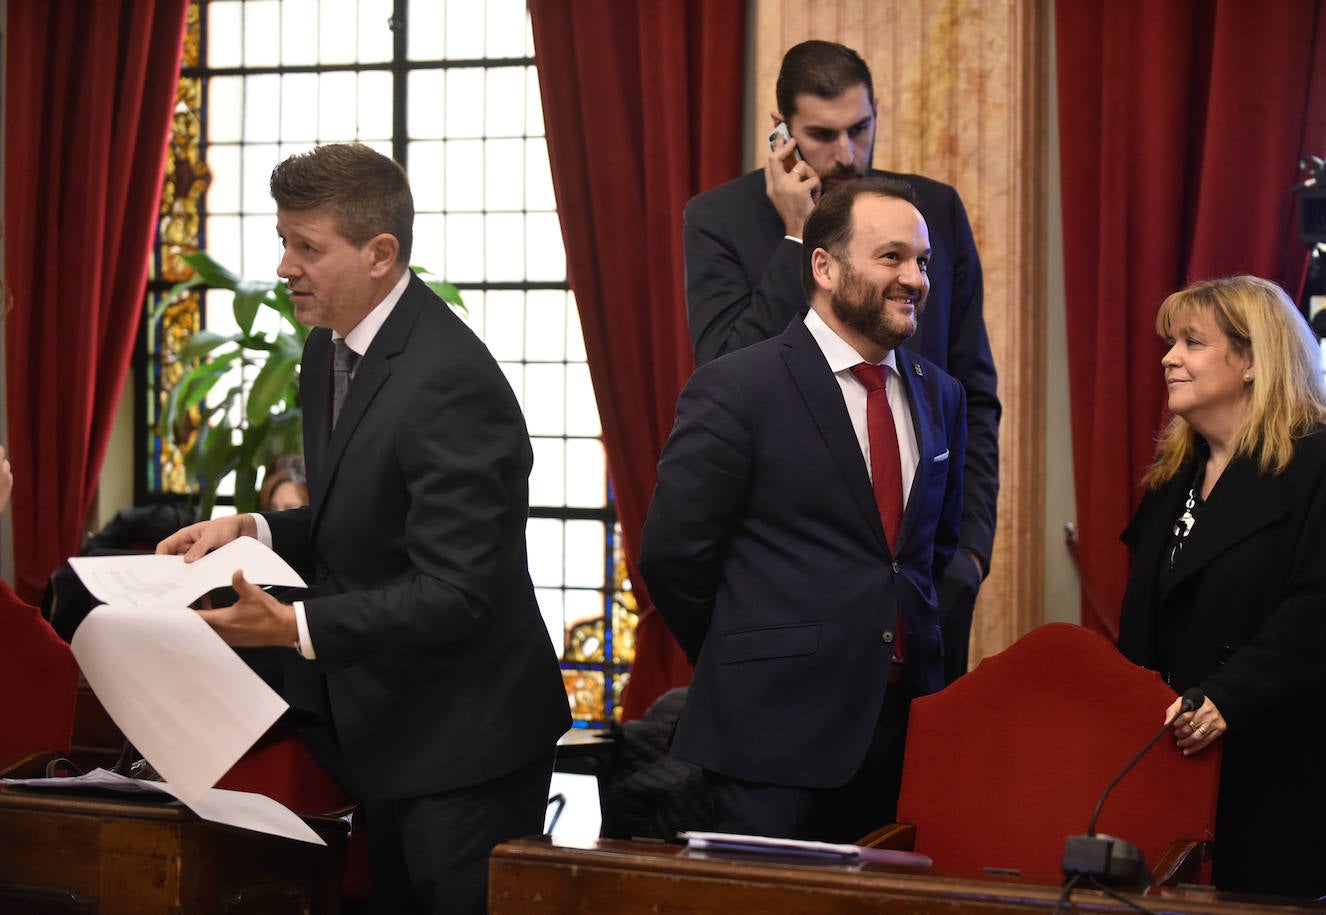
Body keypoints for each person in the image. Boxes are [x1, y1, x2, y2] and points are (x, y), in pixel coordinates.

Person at [156, 143, 570, 914]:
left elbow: (455, 592)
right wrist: (254, 528)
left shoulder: (449, 379)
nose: (284, 266)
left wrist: (293, 624)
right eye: (283, 241)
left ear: (381, 254)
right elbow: (365, 510)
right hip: (384, 729)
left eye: (306, 246)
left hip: (465, 746)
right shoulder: (328, 349)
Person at [640, 177, 966, 842]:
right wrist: (752, 656)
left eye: (923, 261)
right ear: (824, 266)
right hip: (770, 742)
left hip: (905, 742)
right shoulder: (737, 387)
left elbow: (929, 555)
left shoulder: (943, 396)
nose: (915, 278)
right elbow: (674, 556)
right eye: (892, 257)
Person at [682, 39, 997, 686]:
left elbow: (973, 386)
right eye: (821, 136)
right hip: (786, 594)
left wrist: (971, 550)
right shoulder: (720, 219)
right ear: (782, 134)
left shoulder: (930, 213)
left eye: (860, 129)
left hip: (921, 582)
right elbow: (723, 368)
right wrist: (797, 235)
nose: (846, 154)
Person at [1117, 275, 1326, 897]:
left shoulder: (1318, 460)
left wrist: (1228, 695)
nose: (1168, 358)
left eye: (1192, 343)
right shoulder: (1176, 472)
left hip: (1281, 766)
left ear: (1253, 358)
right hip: (1173, 756)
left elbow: (1324, 607)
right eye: (1170, 342)